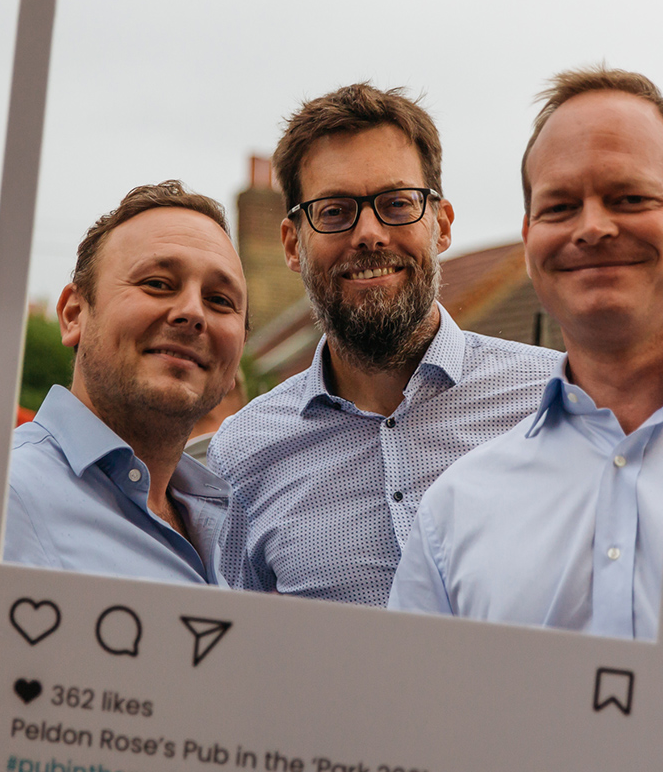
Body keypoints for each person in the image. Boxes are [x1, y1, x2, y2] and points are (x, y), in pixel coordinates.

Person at [390, 68, 663, 771]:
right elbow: (407, 735)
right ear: (530, 238)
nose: (593, 226)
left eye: (629, 197)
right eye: (561, 206)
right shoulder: (456, 512)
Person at [0, 181, 247, 772]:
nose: (191, 312)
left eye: (221, 300)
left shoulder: (239, 522)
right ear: (73, 313)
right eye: (158, 283)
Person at [209, 83, 559, 606]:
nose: (369, 234)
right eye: (333, 211)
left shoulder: (556, 400)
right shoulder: (243, 457)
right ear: (291, 243)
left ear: (440, 226)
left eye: (397, 203)